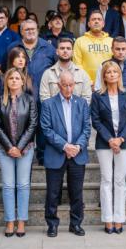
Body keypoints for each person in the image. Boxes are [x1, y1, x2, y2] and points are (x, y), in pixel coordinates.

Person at [94, 37, 126, 207]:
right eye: (117, 49)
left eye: (124, 49)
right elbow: (97, 88)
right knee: (107, 163)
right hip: (108, 119)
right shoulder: (104, 66)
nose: (121, 52)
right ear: (112, 49)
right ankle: (106, 199)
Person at [40, 71, 91, 237]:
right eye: (65, 85)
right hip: (56, 153)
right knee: (53, 193)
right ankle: (52, 224)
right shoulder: (48, 104)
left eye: (71, 85)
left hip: (77, 154)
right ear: (58, 85)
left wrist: (77, 146)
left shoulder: (82, 103)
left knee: (76, 192)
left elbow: (86, 128)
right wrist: (65, 146)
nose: (68, 89)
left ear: (74, 85)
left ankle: (75, 224)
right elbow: (46, 129)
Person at [91, 61, 126, 234]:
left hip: (124, 143)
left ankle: (119, 218)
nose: (111, 74)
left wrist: (120, 139)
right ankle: (108, 219)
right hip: (104, 143)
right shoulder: (97, 96)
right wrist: (110, 139)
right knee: (106, 180)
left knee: (119, 180)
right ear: (104, 76)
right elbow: (95, 120)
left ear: (119, 75)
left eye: (114, 72)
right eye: (108, 72)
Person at [0, 68, 38, 237]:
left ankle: (21, 221)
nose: (13, 81)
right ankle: (10, 221)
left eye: (17, 78)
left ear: (22, 81)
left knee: (23, 185)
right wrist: (9, 147)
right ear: (6, 81)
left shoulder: (29, 100)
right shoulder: (0, 101)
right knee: (8, 186)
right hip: (5, 149)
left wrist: (19, 147)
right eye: (10, 78)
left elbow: (33, 124)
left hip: (25, 150)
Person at [4, 19, 56, 99]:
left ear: (37, 30)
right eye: (27, 29)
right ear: (21, 32)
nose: (30, 31)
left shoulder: (49, 47)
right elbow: (5, 68)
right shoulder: (12, 47)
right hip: (18, 97)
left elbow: (56, 69)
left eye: (33, 29)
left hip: (44, 95)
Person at [39, 37, 92, 103]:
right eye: (62, 48)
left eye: (68, 48)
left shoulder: (82, 74)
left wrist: (75, 112)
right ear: (57, 52)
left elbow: (86, 99)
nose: (65, 51)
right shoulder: (48, 74)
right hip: (54, 113)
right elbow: (44, 99)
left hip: (77, 113)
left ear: (72, 52)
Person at [73, 10, 114, 84]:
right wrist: (89, 82)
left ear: (103, 24)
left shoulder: (112, 41)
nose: (96, 21)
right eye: (93, 19)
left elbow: (115, 64)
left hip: (108, 84)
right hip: (86, 85)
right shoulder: (79, 41)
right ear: (88, 24)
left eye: (99, 19)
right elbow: (77, 65)